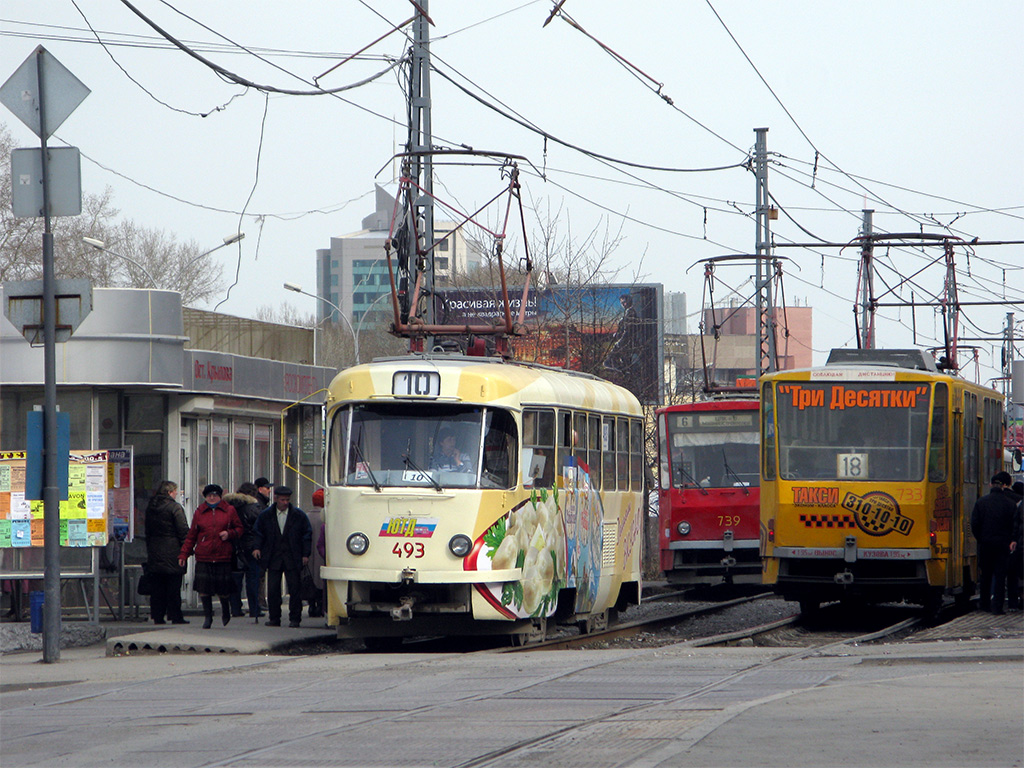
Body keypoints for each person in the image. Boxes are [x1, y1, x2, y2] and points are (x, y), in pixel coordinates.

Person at [178, 484, 243, 629]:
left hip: (223, 555)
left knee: (223, 589)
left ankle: (225, 610)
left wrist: (229, 533)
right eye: (209, 496)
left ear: (220, 496)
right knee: (204, 589)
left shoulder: (229, 510)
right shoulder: (200, 512)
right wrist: (184, 554)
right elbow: (192, 535)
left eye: (215, 495)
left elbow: (239, 528)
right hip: (204, 555)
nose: (212, 498)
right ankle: (208, 616)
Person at [252, 486, 312, 628]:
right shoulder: (266, 515)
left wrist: (305, 554)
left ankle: (295, 618)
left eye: (287, 500)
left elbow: (307, 535)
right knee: (273, 589)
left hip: (293, 557)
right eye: (282, 500)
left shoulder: (298, 515)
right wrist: (256, 547)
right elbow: (258, 532)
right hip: (274, 557)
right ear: (276, 499)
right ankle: (274, 618)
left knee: (295, 589)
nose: (285, 503)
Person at [970, 471, 1019, 615]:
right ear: (1003, 486)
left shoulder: (981, 502)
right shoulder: (1010, 504)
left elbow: (975, 524)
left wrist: (981, 538)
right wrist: (1011, 539)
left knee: (985, 575)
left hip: (986, 543)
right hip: (1003, 544)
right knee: (1000, 576)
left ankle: (984, 604)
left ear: (991, 485)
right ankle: (997, 607)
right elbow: (1014, 525)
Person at [144, 481, 190, 625]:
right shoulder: (175, 508)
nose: (176, 494)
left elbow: (147, 531)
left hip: (155, 550)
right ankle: (175, 615)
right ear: (170, 492)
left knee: (157, 587)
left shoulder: (151, 507)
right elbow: (183, 529)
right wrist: (187, 548)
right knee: (173, 586)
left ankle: (158, 616)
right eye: (175, 491)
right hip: (172, 551)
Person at [224, 482, 263, 621]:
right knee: (252, 579)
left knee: (236, 578)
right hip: (251, 547)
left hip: (233, 546)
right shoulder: (254, 508)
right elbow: (259, 529)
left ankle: (235, 608)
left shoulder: (229, 506)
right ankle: (254, 609)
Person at [305, 489, 326, 618]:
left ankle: (311, 604)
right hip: (321, 555)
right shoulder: (325, 518)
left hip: (309, 554)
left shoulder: (306, 516)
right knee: (321, 581)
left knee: (310, 579)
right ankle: (320, 605)